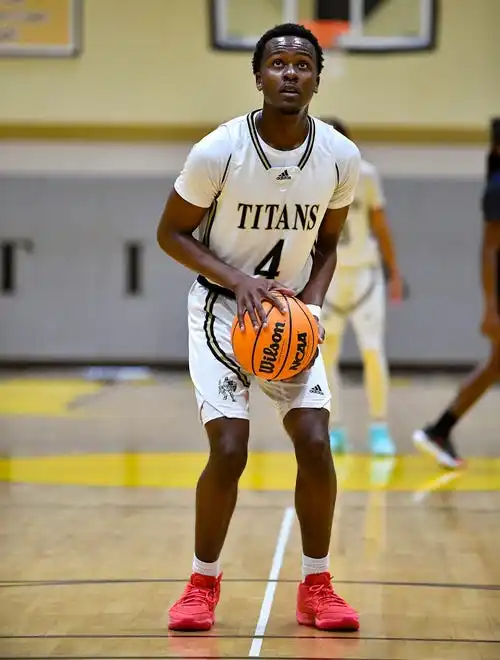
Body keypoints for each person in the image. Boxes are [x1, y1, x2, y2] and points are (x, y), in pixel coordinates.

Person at [156, 23, 361, 631]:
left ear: (318, 79)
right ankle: (201, 584)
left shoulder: (339, 157)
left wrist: (314, 309)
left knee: (317, 443)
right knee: (229, 449)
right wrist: (238, 279)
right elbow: (170, 233)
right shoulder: (218, 151)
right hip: (222, 311)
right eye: (278, 64)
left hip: (289, 316)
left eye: (303, 64)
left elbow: (327, 246)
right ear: (259, 76)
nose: (290, 73)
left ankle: (317, 586)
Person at [413, 118, 500, 469]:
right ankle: (438, 430)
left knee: (495, 365)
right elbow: (489, 250)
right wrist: (491, 307)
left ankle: (439, 430)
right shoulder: (497, 188)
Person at [320, 118, 404, 456]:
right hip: (327, 276)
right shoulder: (309, 176)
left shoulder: (366, 175)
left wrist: (394, 272)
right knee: (326, 356)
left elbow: (381, 226)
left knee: (372, 351)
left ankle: (379, 426)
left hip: (364, 275)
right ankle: (335, 428)